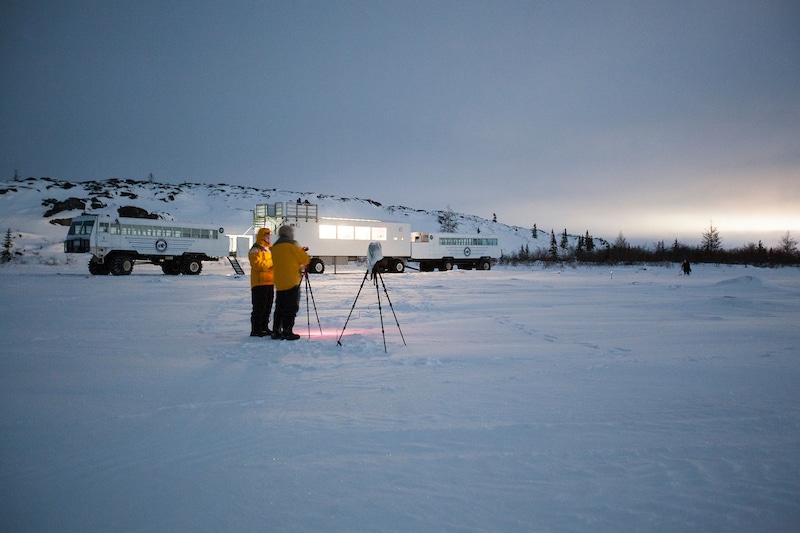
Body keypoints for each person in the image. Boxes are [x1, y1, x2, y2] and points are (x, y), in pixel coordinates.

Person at [270, 225, 311, 340]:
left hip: (279, 281)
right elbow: (304, 259)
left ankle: (276, 330)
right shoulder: (292, 244)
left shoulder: (275, 246)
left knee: (279, 307)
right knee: (291, 307)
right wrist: (302, 253)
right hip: (291, 281)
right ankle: (287, 331)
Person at [248, 228, 274, 337]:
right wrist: (273, 261)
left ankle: (264, 327)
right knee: (259, 307)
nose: (268, 236)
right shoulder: (255, 250)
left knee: (268, 307)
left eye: (269, 234)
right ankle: (256, 329)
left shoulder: (269, 249)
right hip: (259, 283)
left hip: (270, 282)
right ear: (261, 236)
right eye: (266, 234)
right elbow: (258, 265)